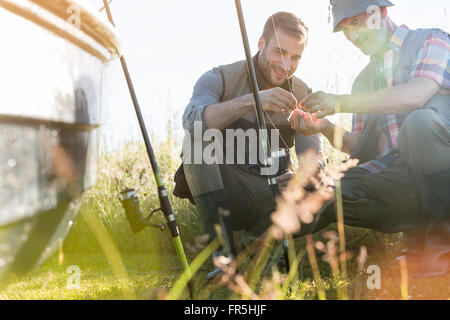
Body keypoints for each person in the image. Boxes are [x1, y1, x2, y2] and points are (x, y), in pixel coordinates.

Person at [289, 0, 449, 277]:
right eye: (344, 29)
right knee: (327, 190)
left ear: (381, 12)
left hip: (443, 164)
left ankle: (442, 246)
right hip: (400, 177)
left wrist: (340, 102)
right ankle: (416, 239)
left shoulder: (431, 40)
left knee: (419, 124)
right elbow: (360, 148)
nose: (351, 36)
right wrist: (324, 127)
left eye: (356, 22)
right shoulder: (362, 82)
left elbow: (416, 95)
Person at [175, 12, 322, 257]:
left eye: (295, 57)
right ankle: (221, 253)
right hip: (226, 189)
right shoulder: (219, 77)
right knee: (195, 141)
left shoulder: (304, 92)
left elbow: (315, 161)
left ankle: (255, 243)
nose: (286, 66)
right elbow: (192, 122)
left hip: (274, 192)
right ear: (261, 44)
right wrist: (252, 101)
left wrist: (299, 177)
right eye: (279, 52)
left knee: (320, 185)